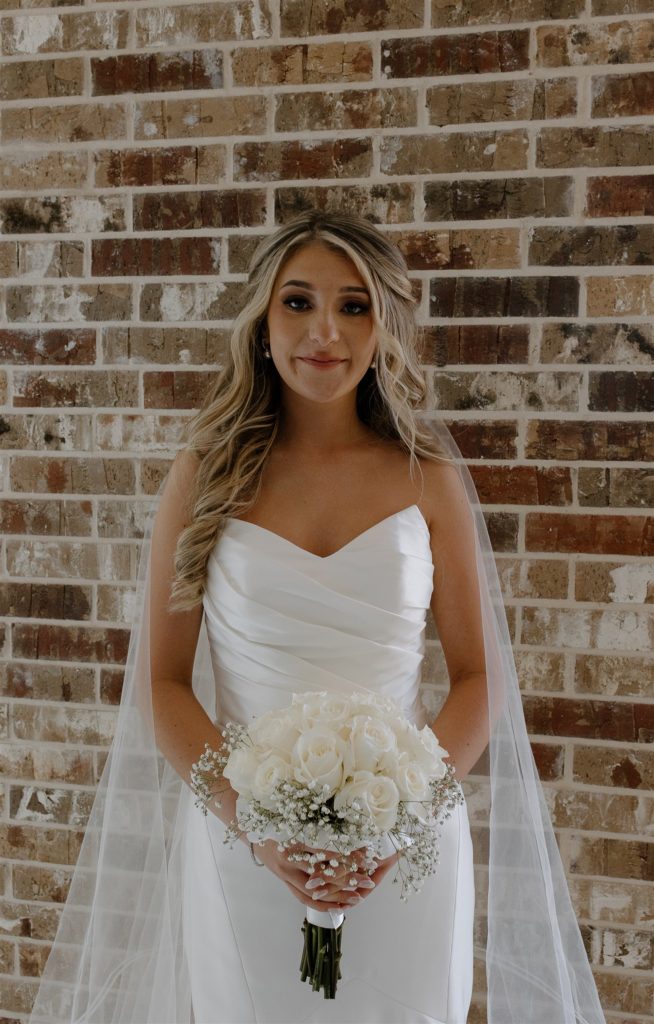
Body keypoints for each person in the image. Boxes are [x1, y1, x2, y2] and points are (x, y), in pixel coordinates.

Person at [27, 209, 606, 1024]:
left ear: (383, 327)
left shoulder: (426, 477)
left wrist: (402, 822)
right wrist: (258, 829)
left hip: (402, 855)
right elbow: (161, 684)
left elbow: (478, 677)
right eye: (298, 303)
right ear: (262, 322)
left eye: (355, 305)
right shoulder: (205, 476)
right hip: (243, 848)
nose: (324, 330)